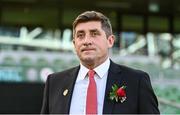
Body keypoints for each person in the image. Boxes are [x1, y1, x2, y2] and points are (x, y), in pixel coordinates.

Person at [41, 11, 160, 114]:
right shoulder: (54, 83)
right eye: (80, 35)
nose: (86, 41)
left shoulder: (136, 81)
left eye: (94, 34)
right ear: (74, 44)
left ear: (110, 41)